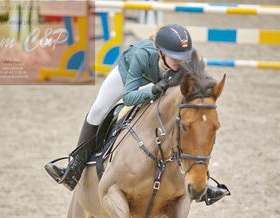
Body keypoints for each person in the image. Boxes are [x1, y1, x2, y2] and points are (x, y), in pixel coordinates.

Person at [45, 24, 229, 204]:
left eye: (183, 57)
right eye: (175, 57)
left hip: (158, 82)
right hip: (129, 77)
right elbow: (129, 97)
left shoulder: (184, 61)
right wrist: (153, 90)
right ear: (161, 52)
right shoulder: (142, 55)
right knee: (98, 110)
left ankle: (203, 181)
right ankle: (75, 166)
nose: (180, 62)